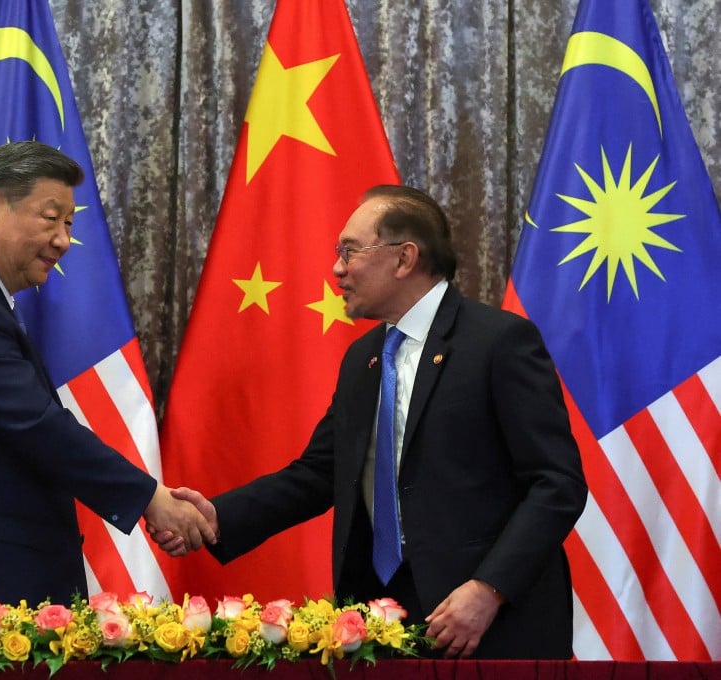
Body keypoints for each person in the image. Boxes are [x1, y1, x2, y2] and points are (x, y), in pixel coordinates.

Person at [157, 185, 587, 659]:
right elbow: (320, 473)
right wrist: (218, 517)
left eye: (349, 251)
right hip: (381, 620)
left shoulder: (498, 342)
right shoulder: (364, 357)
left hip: (487, 624)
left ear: (405, 258)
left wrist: (489, 588)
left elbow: (556, 483)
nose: (337, 268)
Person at [0, 141, 215, 661]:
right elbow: (37, 426)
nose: (64, 240)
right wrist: (149, 497)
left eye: (70, 225)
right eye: (51, 219)